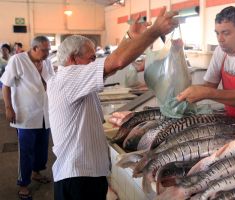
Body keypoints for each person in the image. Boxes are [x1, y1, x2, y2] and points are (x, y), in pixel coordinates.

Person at [46, 7, 178, 200]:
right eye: (91, 59)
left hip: (87, 174)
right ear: (73, 59)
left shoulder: (72, 79)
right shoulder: (68, 78)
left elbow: (109, 67)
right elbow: (116, 62)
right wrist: (155, 31)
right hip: (77, 178)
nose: (95, 63)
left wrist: (129, 37)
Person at [1, 36, 54, 200]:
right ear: (35, 48)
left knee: (41, 148)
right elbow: (6, 85)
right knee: (26, 151)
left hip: (45, 114)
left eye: (48, 49)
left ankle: (36, 173)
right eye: (45, 50)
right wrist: (8, 107)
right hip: (25, 115)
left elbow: (52, 82)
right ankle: (23, 183)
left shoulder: (47, 62)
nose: (47, 53)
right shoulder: (18, 60)